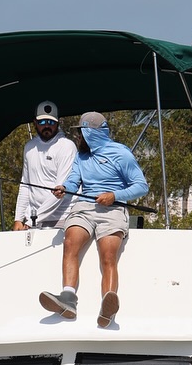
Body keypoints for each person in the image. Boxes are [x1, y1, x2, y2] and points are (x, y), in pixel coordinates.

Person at [38, 111, 148, 327]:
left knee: (108, 256)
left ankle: (107, 308)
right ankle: (68, 299)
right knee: (70, 242)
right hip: (85, 208)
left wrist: (114, 196)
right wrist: (63, 189)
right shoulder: (81, 157)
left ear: (92, 133)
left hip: (113, 210)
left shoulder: (121, 153)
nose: (79, 137)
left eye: (82, 132)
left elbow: (141, 186)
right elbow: (73, 182)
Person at [13, 101, 77, 231]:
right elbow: (25, 185)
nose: (47, 126)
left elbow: (59, 192)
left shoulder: (67, 146)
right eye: (42, 122)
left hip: (62, 218)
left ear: (58, 123)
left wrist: (32, 221)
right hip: (33, 220)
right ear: (34, 122)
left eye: (51, 122)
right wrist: (18, 219)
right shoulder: (29, 147)